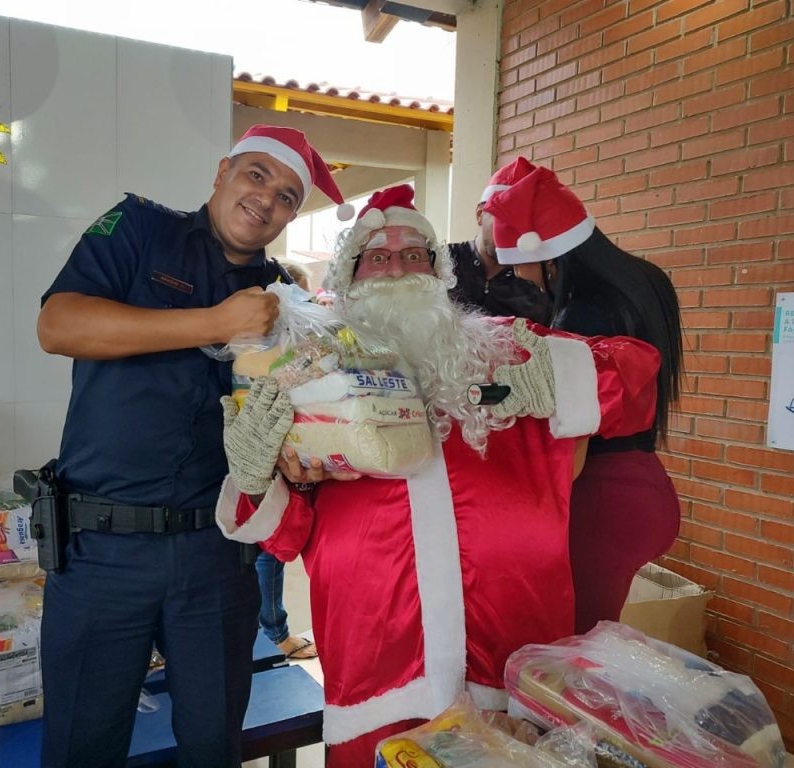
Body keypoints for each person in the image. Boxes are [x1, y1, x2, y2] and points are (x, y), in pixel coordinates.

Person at [214, 184, 662, 767]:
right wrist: (257, 479)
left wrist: (555, 381)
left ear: (441, 274)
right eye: (377, 256)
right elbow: (285, 533)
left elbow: (634, 373)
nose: (397, 266)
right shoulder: (309, 381)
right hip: (378, 650)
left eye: (414, 254)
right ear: (350, 280)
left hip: (509, 641)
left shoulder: (505, 349)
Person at [34, 124, 350, 768]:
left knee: (213, 748)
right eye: (257, 175)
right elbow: (57, 324)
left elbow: (290, 416)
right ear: (222, 171)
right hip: (102, 552)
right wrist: (214, 323)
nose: (267, 199)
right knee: (82, 749)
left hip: (216, 554)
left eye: (288, 195)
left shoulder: (284, 299)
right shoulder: (138, 228)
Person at [483, 163, 683, 635]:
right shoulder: (646, 279)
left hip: (603, 499)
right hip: (644, 485)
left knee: (572, 654)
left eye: (521, 267)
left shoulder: (583, 315)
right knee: (590, 643)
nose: (523, 279)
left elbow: (574, 436)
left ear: (550, 256)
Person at [255, 259, 319, 660]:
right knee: (270, 551)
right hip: (273, 456)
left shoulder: (250, 347)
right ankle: (275, 632)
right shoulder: (281, 347)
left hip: (268, 454)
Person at [446, 157, 553, 324]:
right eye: (503, 221)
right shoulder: (441, 261)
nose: (510, 234)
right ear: (480, 215)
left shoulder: (536, 282)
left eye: (524, 224)